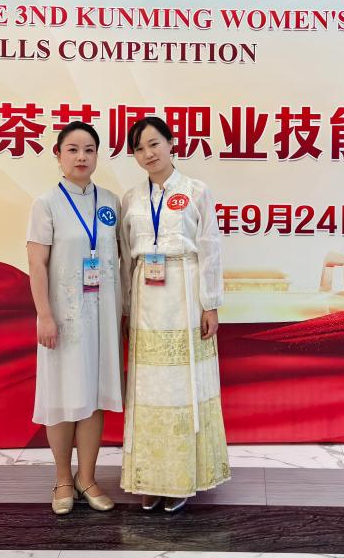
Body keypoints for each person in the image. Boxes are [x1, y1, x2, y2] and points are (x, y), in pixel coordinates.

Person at [119, 116, 231, 513]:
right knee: (149, 389)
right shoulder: (131, 199)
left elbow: (210, 248)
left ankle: (183, 477)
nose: (148, 154)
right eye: (139, 148)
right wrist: (127, 309)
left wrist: (210, 303)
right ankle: (151, 477)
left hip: (184, 291)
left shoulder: (196, 191)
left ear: (171, 143)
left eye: (154, 144)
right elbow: (125, 257)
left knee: (183, 387)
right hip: (145, 297)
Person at [26, 121, 122, 515]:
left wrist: (124, 313)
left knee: (94, 397)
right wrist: (44, 315)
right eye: (73, 149)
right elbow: (37, 263)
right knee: (62, 396)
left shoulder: (111, 202)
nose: (81, 157)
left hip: (103, 317)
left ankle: (88, 478)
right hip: (63, 319)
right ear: (58, 155)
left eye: (89, 150)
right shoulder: (46, 203)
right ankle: (63, 479)